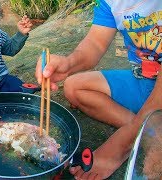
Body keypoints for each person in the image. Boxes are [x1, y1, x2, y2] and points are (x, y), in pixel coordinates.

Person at [35, 0, 162, 179]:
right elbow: (95, 44)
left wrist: (122, 142)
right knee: (73, 86)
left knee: (154, 168)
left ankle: (141, 131)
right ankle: (145, 130)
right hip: (143, 80)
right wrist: (68, 63)